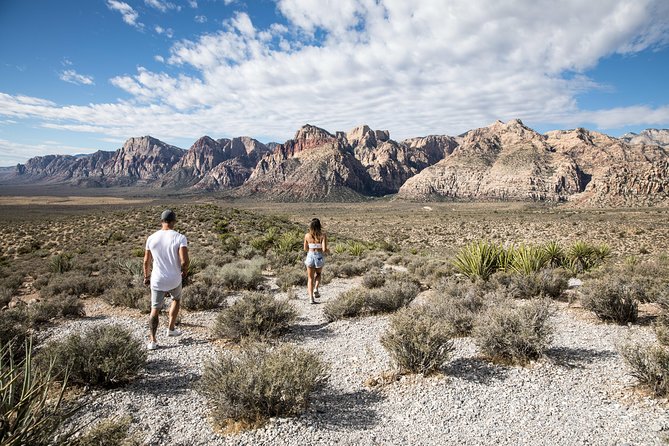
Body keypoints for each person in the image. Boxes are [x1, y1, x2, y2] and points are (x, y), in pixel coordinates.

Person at [143, 209, 189, 350]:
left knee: (154, 309)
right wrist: (184, 271)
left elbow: (146, 261)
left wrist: (146, 276)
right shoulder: (180, 237)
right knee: (176, 299)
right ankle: (170, 328)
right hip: (174, 278)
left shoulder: (151, 238)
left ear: (161, 221)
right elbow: (184, 261)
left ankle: (153, 340)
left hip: (157, 279)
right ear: (174, 222)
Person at [304, 218, 327, 304]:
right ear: (319, 225)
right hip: (319, 256)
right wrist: (328, 250)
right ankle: (316, 288)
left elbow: (305, 248)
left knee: (310, 278)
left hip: (310, 255)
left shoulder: (307, 235)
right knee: (318, 274)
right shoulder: (323, 235)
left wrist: (311, 246)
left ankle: (311, 299)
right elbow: (324, 249)